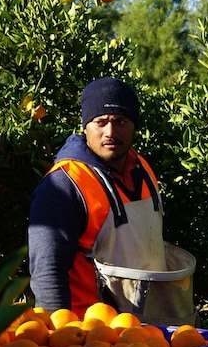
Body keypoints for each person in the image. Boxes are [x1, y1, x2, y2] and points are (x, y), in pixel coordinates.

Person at [28, 77, 168, 319]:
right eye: (100, 122)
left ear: (135, 125)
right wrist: (62, 338)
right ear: (85, 126)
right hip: (91, 334)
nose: (110, 132)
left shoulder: (141, 168)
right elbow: (47, 271)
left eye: (121, 122)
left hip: (149, 328)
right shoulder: (63, 184)